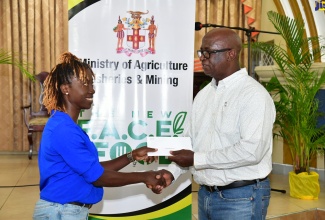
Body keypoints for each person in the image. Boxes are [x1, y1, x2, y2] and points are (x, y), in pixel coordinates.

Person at [156, 28, 276, 220]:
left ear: (231, 54)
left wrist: (196, 159)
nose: (203, 58)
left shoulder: (254, 95)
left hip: (242, 197)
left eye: (208, 52)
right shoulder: (204, 95)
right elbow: (190, 143)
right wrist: (171, 173)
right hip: (206, 195)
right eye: (201, 52)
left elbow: (252, 151)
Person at [33, 52, 164, 220]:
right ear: (65, 88)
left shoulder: (66, 126)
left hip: (66, 211)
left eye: (92, 83)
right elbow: (97, 177)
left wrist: (132, 156)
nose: (92, 89)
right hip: (61, 213)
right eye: (85, 83)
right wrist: (144, 176)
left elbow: (93, 169)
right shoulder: (63, 129)